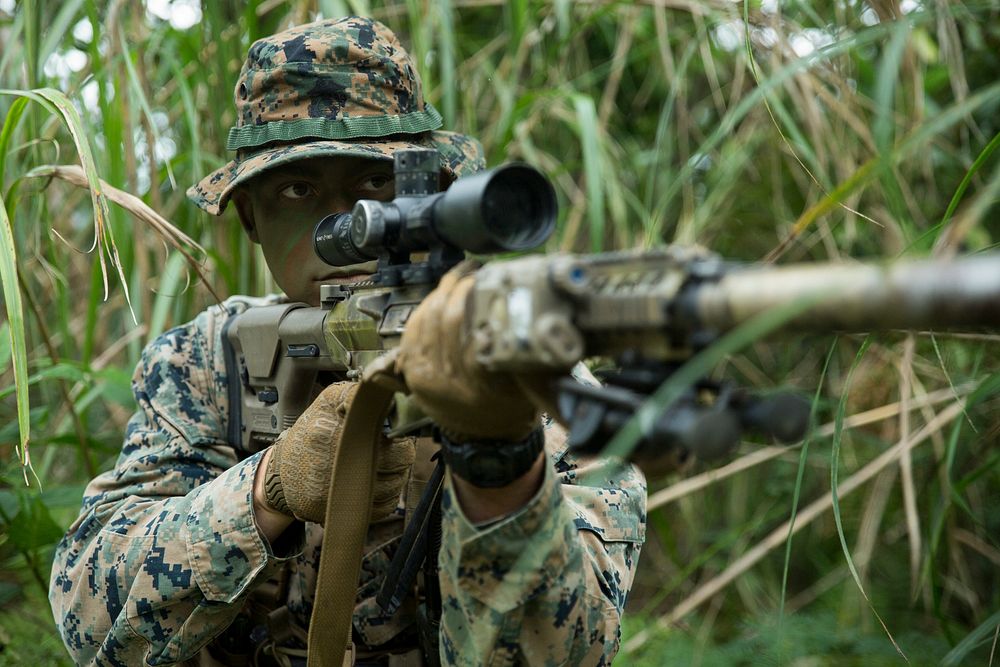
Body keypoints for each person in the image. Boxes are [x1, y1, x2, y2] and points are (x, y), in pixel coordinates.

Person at [49, 17, 646, 666]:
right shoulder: (207, 364)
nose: (345, 225)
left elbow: (563, 655)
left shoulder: (537, 379)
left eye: (375, 184)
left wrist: (502, 459)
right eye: (299, 189)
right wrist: (264, 490)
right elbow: (90, 620)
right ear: (250, 216)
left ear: (438, 194)